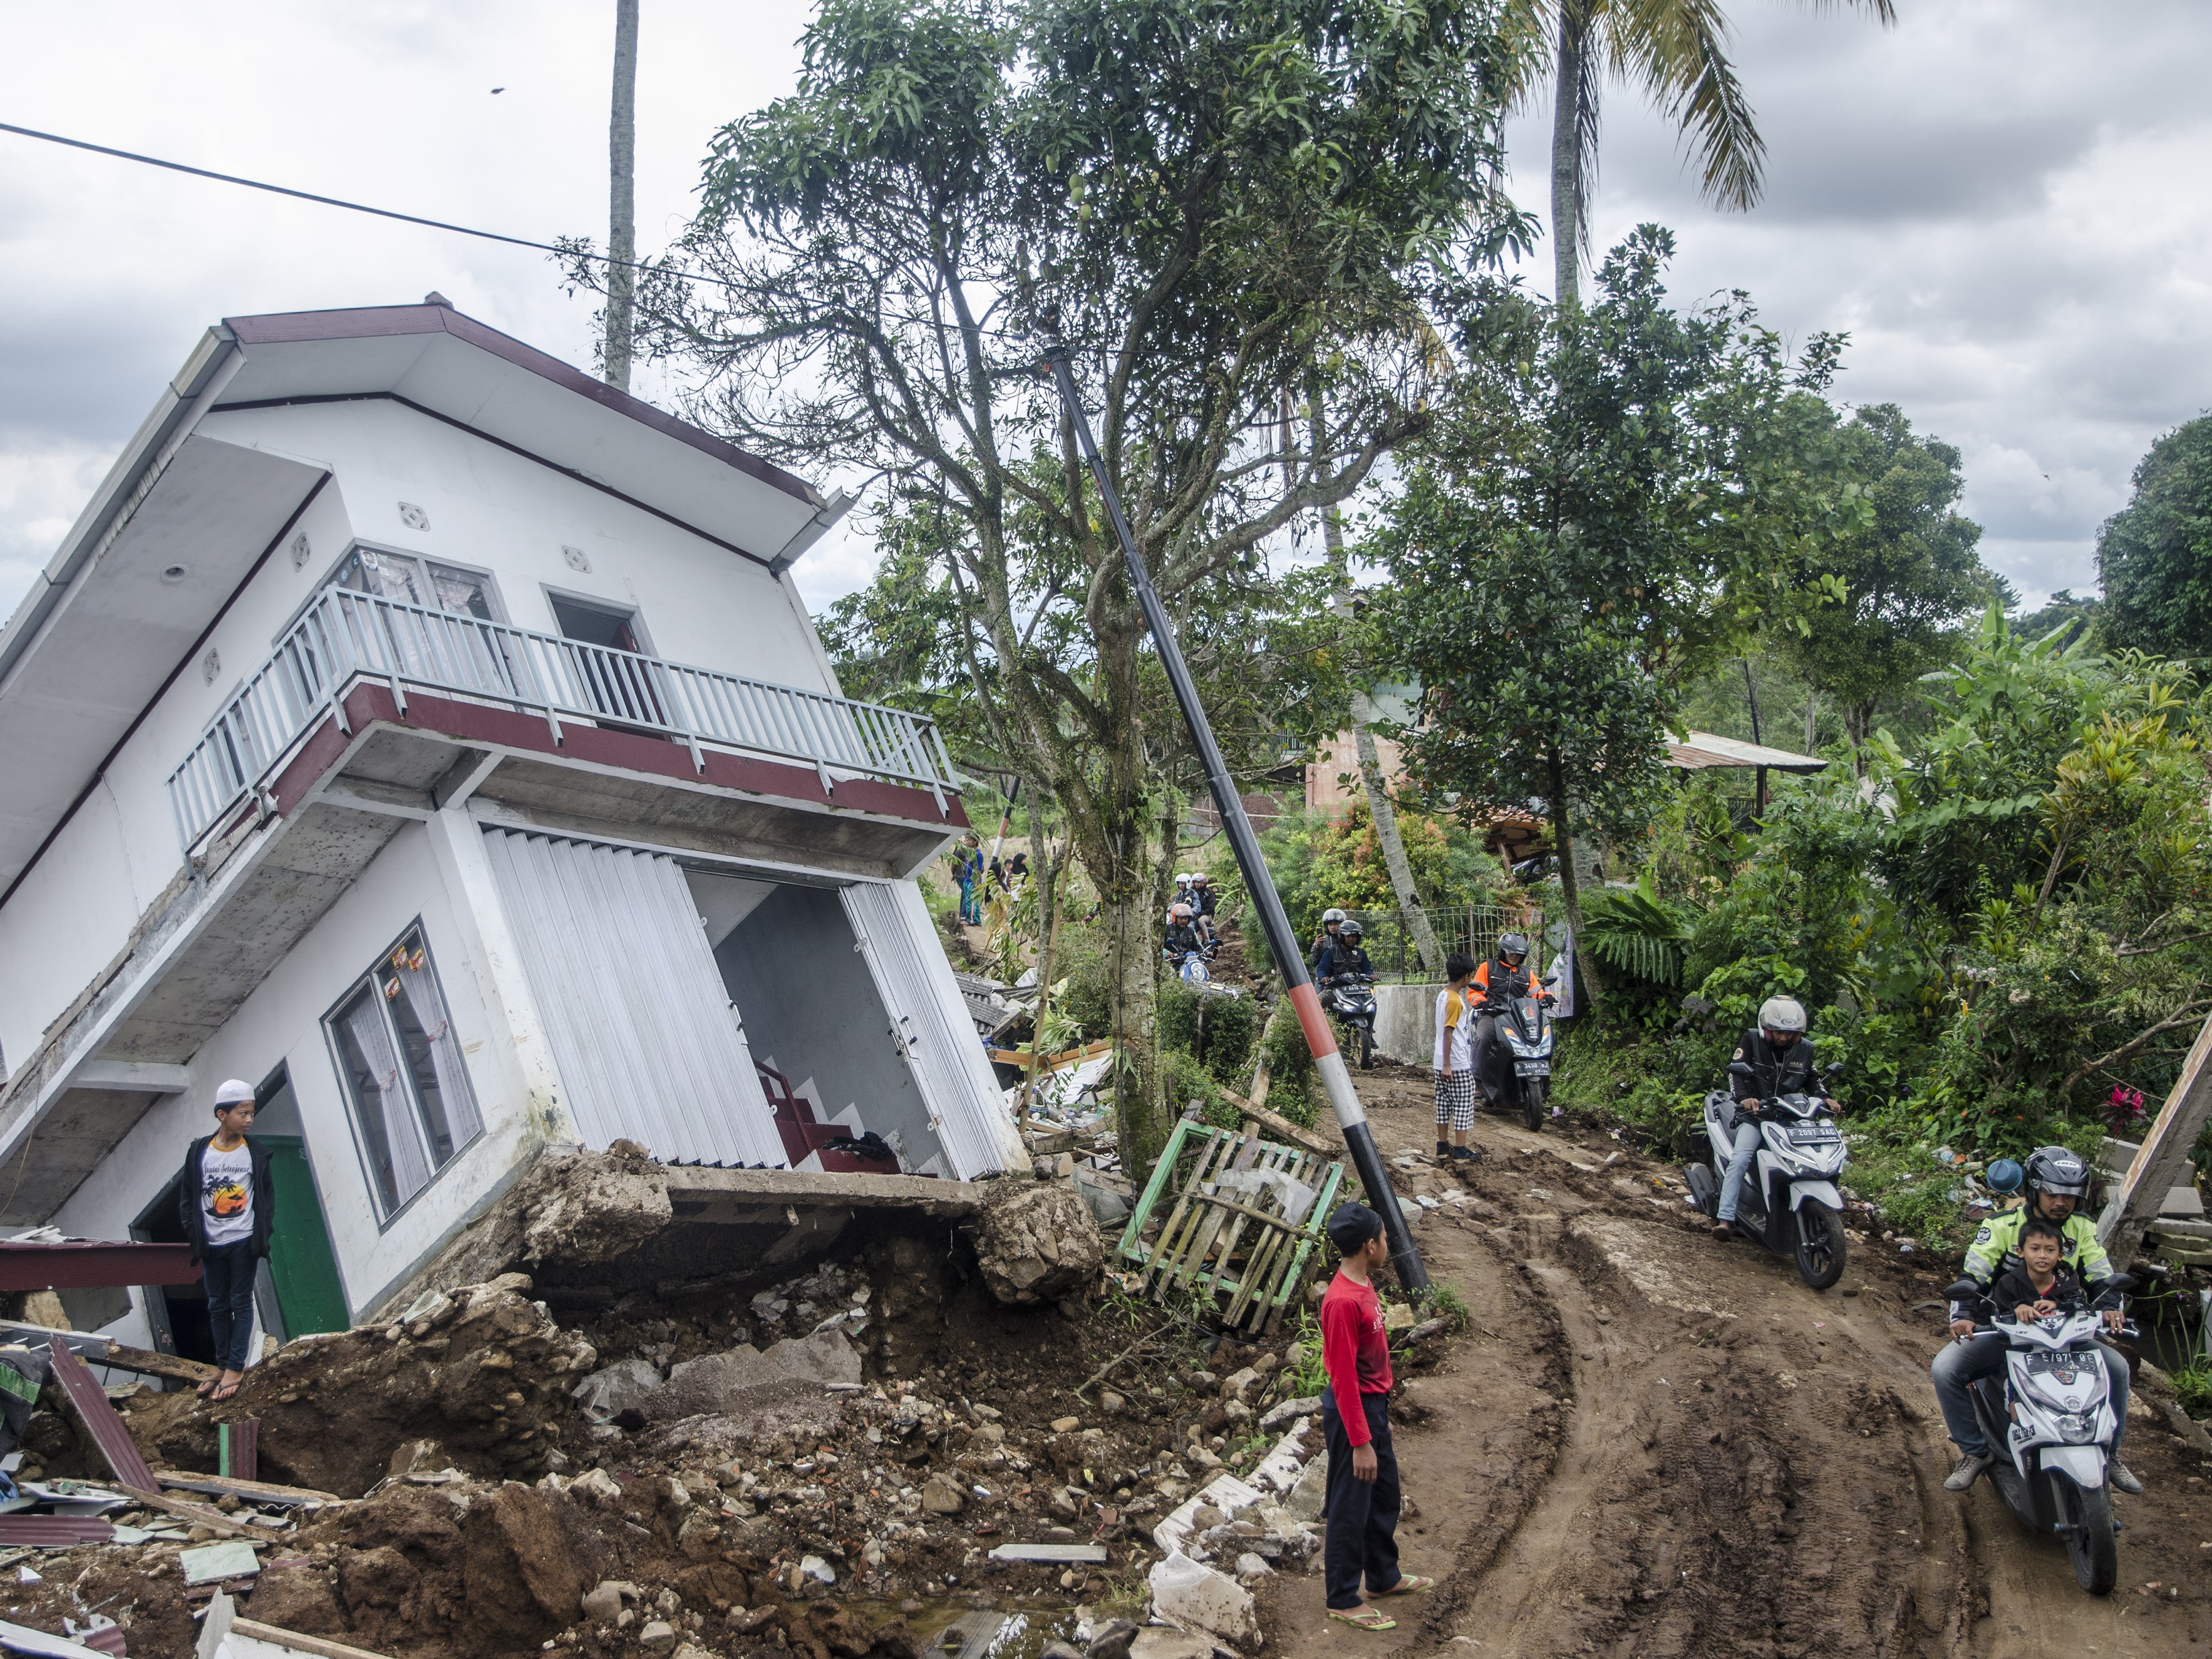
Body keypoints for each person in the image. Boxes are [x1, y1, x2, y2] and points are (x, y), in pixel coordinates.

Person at [1935, 1144, 2140, 1494]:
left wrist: (2110, 1307)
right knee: (1945, 1370)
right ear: (2033, 1190)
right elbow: (1973, 1275)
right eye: (2052, 1194)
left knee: (2117, 1369)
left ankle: (2112, 1452)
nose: (2061, 1202)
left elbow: (2101, 1277)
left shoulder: (2082, 1228)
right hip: (2004, 1334)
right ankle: (1974, 1451)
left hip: (2066, 1335)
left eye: (2069, 1196)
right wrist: (1964, 1316)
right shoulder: (2000, 1225)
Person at [1319, 1202, 1434, 1630]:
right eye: (1385, 1238)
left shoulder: (1363, 1283)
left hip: (1373, 1407)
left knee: (1384, 1495)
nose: (1388, 1244)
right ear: (1369, 1245)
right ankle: (1342, 1597)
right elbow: (1343, 1378)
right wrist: (1361, 1441)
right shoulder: (1341, 1302)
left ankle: (1383, 1577)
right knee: (1351, 1505)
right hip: (1354, 1411)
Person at [177, 1079, 276, 1403]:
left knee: (240, 1302)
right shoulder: (200, 1151)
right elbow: (188, 1197)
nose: (249, 1120)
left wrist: (263, 1233)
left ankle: (235, 1367)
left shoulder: (255, 1153)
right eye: (242, 1113)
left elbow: (266, 1198)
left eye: (252, 1113)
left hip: (243, 1241)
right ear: (222, 1114)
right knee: (216, 1304)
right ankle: (222, 1365)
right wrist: (194, 1232)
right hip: (212, 1244)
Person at [1712, 995, 1832, 1242]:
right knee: (1741, 1158)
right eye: (1779, 1032)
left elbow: (1812, 1079)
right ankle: (1725, 1218)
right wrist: (1745, 1099)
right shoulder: (1751, 1040)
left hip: (1791, 1119)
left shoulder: (1806, 1049)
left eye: (1790, 1033)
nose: (1784, 1038)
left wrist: (1825, 1098)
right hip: (1756, 1117)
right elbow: (1736, 1074)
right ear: (1766, 1029)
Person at [1467, 933, 1546, 1105]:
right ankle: (1476, 1081)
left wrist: (1546, 997)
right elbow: (1475, 992)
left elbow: (1537, 991)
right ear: (1502, 951)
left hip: (1518, 1018)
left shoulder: (1526, 973)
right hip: (1492, 1015)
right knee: (1484, 1037)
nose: (1514, 956)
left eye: (1518, 953)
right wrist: (1481, 1002)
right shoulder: (1488, 967)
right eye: (1511, 952)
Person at [1432, 953, 1481, 1165]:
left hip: (1440, 1060)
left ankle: (1443, 1146)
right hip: (1456, 1062)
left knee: (1443, 1103)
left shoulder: (1443, 995)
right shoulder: (1454, 1001)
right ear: (1466, 977)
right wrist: (1448, 1065)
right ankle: (1460, 1149)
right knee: (1463, 1103)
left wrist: (1443, 1064)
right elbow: (1448, 1032)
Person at [1315, 917, 1373, 983]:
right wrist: (1323, 977)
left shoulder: (1361, 953)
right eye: (1348, 936)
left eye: (1354, 936)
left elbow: (1367, 969)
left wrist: (1371, 975)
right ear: (1342, 937)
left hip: (1358, 985)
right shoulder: (1331, 951)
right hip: (1335, 985)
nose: (1351, 939)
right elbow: (1322, 969)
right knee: (1319, 989)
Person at [1163, 902, 1204, 970]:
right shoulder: (1167, 930)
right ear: (1175, 918)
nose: (1184, 921)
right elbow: (1159, 947)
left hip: (1188, 963)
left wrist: (1205, 952)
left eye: (1186, 918)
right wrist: (1167, 953)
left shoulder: (1191, 931)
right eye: (1181, 918)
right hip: (1171, 963)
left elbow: (1198, 946)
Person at [1311, 908, 1347, 973]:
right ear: (1326, 926)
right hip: (1326, 975)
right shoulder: (1322, 941)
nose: (1333, 927)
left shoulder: (1347, 940)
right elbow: (1313, 962)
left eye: (1336, 924)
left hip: (1344, 975)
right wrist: (1317, 948)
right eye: (1330, 924)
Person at [1188, 872, 1218, 943]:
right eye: (1195, 882)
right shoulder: (1192, 893)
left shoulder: (1209, 893)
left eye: (1198, 882)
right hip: (1194, 913)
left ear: (1203, 883)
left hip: (1207, 915)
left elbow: (1211, 909)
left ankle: (1207, 941)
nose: (1197, 884)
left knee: (1200, 921)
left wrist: (1200, 913)